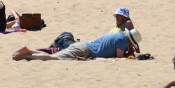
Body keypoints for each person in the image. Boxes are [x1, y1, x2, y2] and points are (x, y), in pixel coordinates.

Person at [12, 28, 141, 61]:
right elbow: (119, 58)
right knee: (53, 58)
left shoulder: (119, 36)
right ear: (131, 41)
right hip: (84, 50)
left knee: (56, 55)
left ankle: (30, 51)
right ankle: (25, 56)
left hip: (83, 46)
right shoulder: (122, 41)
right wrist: (129, 53)